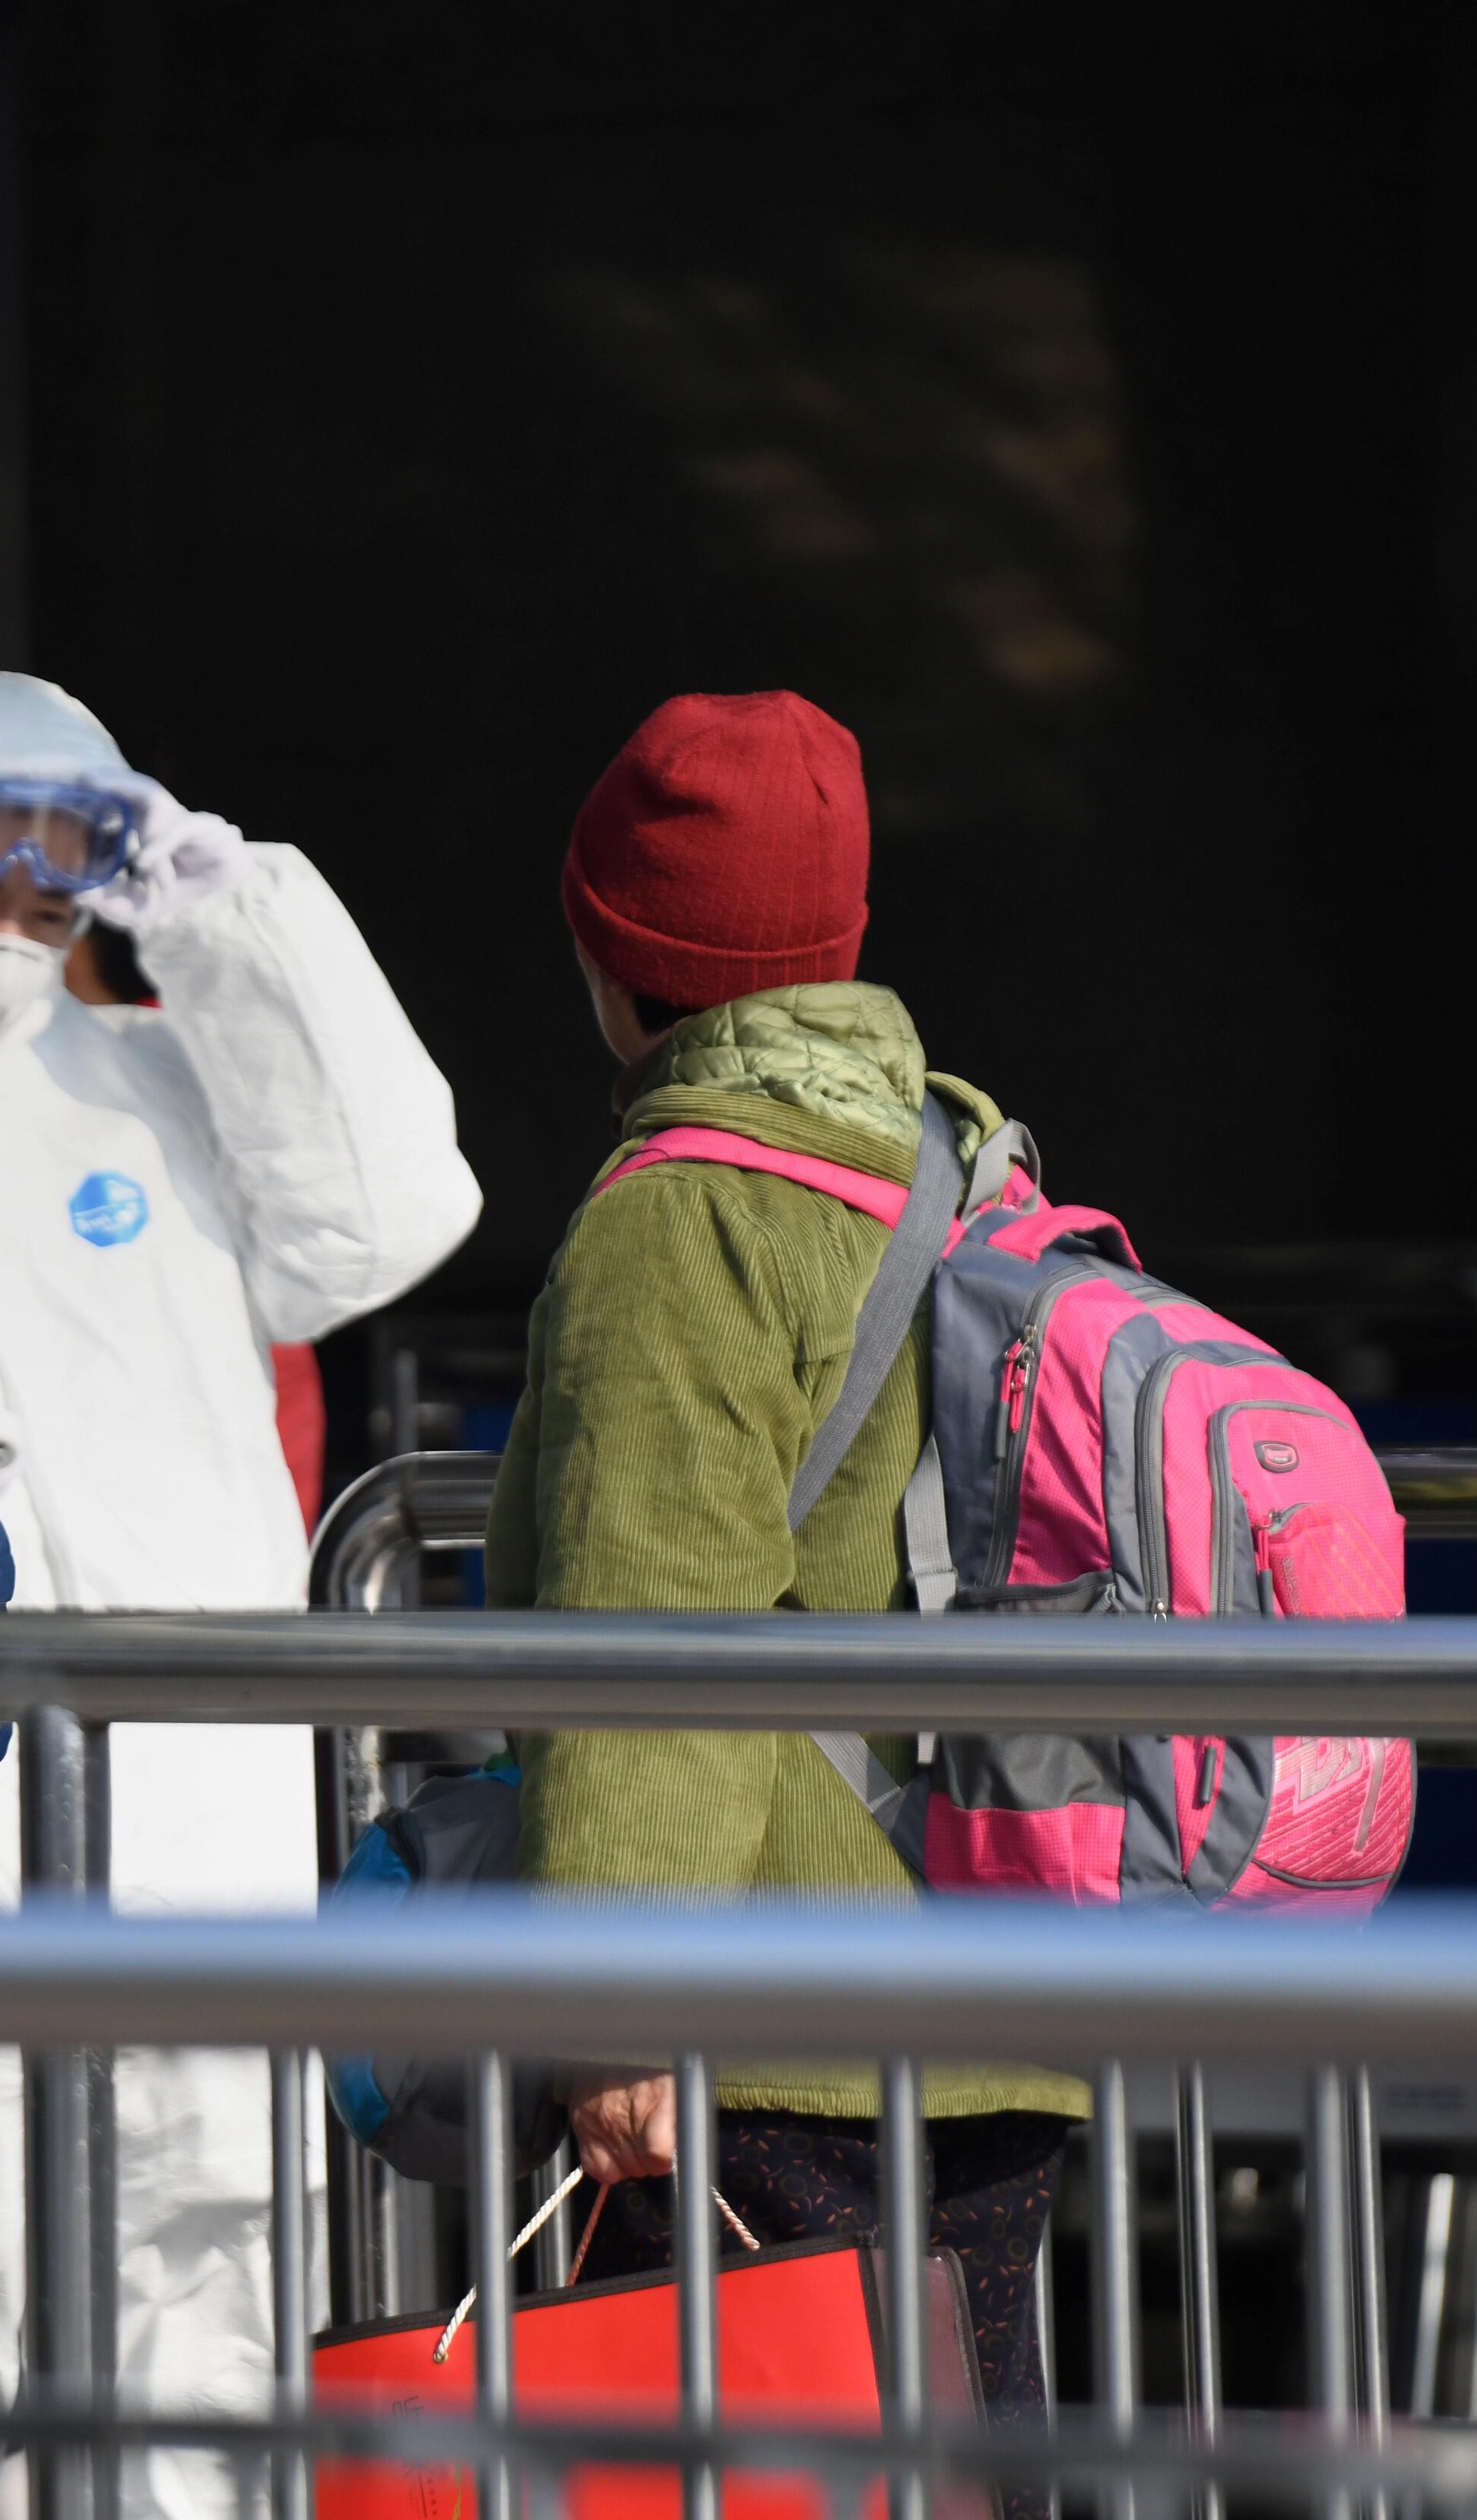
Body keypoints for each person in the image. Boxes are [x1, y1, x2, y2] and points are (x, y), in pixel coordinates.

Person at [0, 671, 480, 2520]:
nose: (7, 898)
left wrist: (222, 907)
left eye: (67, 852)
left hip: (191, 1843)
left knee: (203, 2345)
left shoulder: (164, 1083)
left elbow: (386, 1214)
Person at [488, 689, 1085, 2442]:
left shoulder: (683, 1214)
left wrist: (617, 2005)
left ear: (611, 949)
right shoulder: (952, 1159)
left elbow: (651, 1632)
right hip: (978, 1984)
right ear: (844, 939)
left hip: (761, 2029)